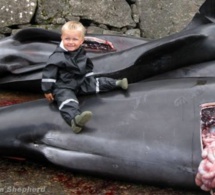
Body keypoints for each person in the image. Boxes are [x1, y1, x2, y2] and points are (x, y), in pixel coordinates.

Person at [41, 21, 128, 133]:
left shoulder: (80, 52)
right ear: (62, 37)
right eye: (67, 39)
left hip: (79, 81)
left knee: (95, 83)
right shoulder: (57, 57)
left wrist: (89, 78)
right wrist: (47, 89)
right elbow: (49, 73)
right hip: (64, 85)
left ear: (81, 40)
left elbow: (87, 66)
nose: (71, 42)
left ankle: (116, 83)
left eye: (75, 39)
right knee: (67, 100)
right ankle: (75, 120)